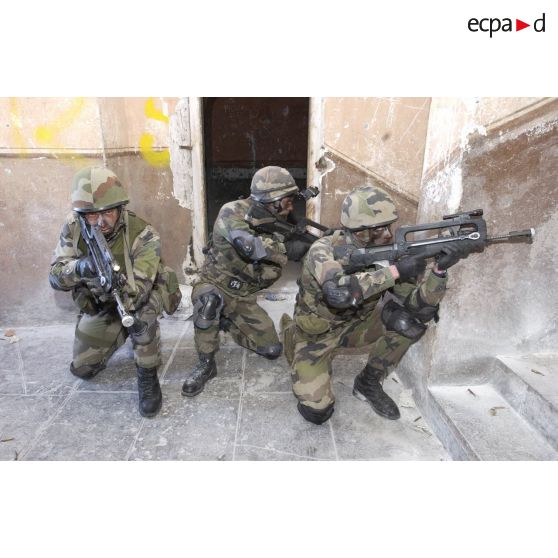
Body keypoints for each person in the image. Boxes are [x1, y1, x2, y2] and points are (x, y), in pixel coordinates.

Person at [280, 185, 480, 425]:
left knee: (410, 322)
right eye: (378, 229)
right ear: (359, 230)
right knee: (318, 412)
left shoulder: (388, 252)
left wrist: (439, 271)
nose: (387, 234)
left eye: (388, 226)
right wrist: (394, 272)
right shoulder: (323, 251)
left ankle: (368, 383)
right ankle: (291, 335)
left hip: (356, 325)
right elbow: (339, 294)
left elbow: (417, 305)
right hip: (316, 333)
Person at [49, 166, 180, 418]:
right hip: (103, 300)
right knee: (83, 369)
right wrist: (82, 268)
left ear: (120, 208)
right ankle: (116, 332)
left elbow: (138, 291)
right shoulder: (74, 226)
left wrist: (114, 284)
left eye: (108, 212)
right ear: (81, 214)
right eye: (91, 215)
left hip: (141, 293)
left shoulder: (143, 234)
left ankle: (148, 374)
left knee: (141, 319)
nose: (100, 222)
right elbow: (55, 276)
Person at [182, 166, 309, 397]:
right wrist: (287, 249)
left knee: (271, 349)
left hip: (243, 296)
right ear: (271, 199)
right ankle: (205, 364)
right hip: (216, 285)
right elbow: (248, 246)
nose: (291, 206)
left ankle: (228, 323)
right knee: (208, 303)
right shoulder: (232, 211)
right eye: (287, 200)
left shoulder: (278, 219)